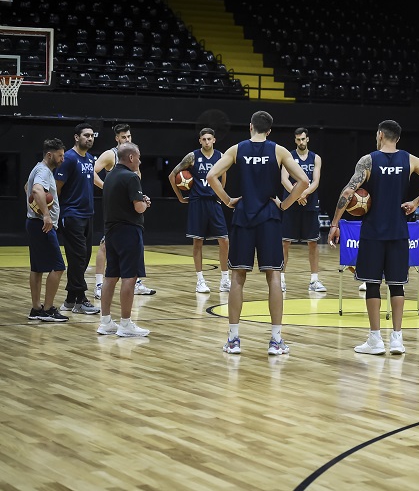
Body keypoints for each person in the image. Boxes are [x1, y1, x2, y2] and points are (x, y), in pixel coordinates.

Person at [328, 119, 419, 355]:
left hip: (373, 231)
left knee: (372, 285)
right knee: (397, 286)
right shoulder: (410, 160)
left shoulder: (368, 160)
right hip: (399, 230)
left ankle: (375, 339)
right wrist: (416, 202)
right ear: (398, 138)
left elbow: (349, 191)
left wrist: (334, 223)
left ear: (380, 134)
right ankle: (397, 339)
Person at [206, 111, 310, 355]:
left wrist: (228, 200)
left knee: (237, 278)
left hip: (243, 217)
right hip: (270, 219)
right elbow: (304, 181)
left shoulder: (236, 149)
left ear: (250, 126)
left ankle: (233, 339)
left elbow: (211, 176)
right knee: (273, 277)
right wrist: (284, 205)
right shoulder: (279, 151)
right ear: (269, 131)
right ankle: (275, 340)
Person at [95, 142, 152, 337]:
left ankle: (105, 322)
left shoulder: (110, 176)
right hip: (129, 231)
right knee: (130, 277)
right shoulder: (131, 177)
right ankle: (126, 324)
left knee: (110, 277)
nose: (140, 160)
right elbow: (138, 208)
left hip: (110, 232)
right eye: (139, 157)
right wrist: (144, 203)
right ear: (131, 158)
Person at [93, 123, 156, 298]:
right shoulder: (110, 154)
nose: (127, 139)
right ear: (116, 138)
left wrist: (141, 197)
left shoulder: (133, 156)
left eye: (129, 136)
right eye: (123, 137)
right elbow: (92, 172)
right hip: (116, 207)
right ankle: (98, 284)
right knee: (105, 244)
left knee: (135, 244)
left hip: (130, 207)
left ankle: (136, 282)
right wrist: (106, 187)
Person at [168, 127, 231, 293]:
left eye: (210, 139)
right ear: (200, 141)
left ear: (214, 140)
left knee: (224, 240)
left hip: (213, 202)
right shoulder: (193, 156)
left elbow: (223, 177)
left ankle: (225, 279)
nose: (207, 142)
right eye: (204, 139)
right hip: (197, 202)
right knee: (198, 241)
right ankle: (200, 280)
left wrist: (220, 195)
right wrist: (180, 197)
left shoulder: (220, 156)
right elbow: (172, 175)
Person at [54, 123, 102, 315]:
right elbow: (57, 188)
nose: (90, 139)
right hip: (71, 215)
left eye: (92, 136)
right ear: (76, 137)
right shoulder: (69, 159)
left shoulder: (89, 159)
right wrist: (57, 213)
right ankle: (81, 299)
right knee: (78, 257)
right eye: (86, 135)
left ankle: (69, 299)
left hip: (87, 215)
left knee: (82, 258)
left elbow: (95, 182)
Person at [25, 138, 69, 322]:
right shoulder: (43, 170)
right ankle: (48, 309)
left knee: (37, 268)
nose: (62, 160)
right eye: (60, 156)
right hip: (42, 225)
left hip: (33, 223)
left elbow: (26, 188)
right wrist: (45, 214)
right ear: (49, 155)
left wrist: (35, 208)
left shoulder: (37, 169)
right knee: (58, 267)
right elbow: (35, 190)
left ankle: (36, 309)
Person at [280, 127, 326, 293]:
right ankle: (281, 280)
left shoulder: (316, 158)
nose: (301, 142)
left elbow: (316, 181)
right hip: (292, 203)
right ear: (295, 140)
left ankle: (314, 280)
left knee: (313, 243)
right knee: (285, 242)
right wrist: (296, 194)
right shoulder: (288, 156)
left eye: (303, 139)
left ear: (308, 139)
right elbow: (284, 179)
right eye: (298, 139)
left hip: (309, 203)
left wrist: (304, 192)